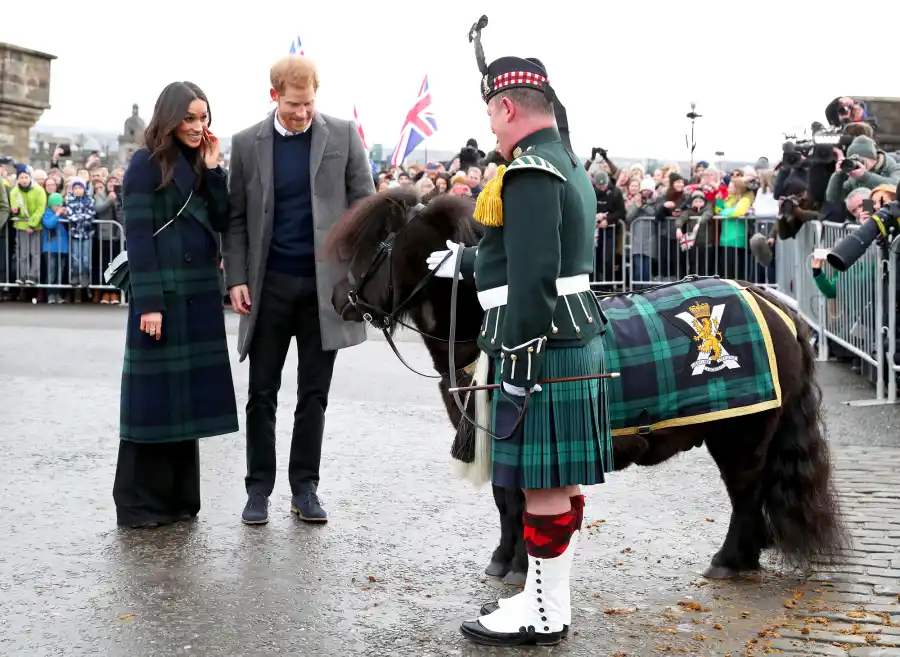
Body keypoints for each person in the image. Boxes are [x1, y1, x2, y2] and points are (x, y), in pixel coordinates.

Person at [425, 17, 613, 647]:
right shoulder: (564, 161)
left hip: (539, 345)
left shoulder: (530, 171)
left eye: (490, 115)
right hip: (564, 336)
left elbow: (535, 275)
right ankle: (545, 601)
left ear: (506, 107)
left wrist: (520, 358)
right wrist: (469, 261)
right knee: (552, 486)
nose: (490, 128)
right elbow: (537, 258)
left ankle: (542, 610)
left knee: (542, 486)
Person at [223, 55, 375, 526]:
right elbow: (235, 218)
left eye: (308, 104)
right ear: (273, 96)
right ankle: (258, 491)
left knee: (314, 394)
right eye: (293, 105)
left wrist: (356, 278)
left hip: (323, 293)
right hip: (267, 289)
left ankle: (305, 488)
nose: (302, 113)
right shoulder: (247, 143)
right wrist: (236, 279)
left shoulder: (344, 135)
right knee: (261, 395)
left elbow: (365, 208)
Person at [114, 81, 238, 528]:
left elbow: (224, 219)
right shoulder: (145, 164)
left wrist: (214, 168)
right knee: (152, 403)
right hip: (162, 296)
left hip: (198, 292)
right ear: (169, 118)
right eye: (188, 118)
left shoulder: (200, 163)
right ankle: (139, 505)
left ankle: (179, 500)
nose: (197, 126)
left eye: (203, 117)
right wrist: (148, 303)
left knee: (181, 403)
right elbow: (140, 237)